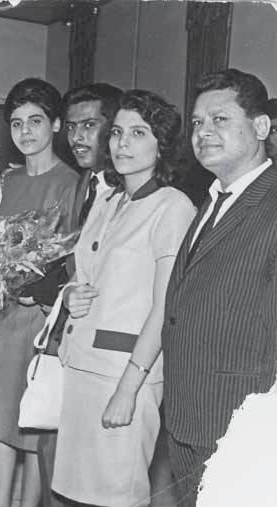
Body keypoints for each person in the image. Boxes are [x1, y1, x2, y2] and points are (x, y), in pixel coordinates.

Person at [52, 90, 195, 506]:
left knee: (118, 493)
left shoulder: (173, 207)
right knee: (77, 493)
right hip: (82, 367)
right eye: (116, 132)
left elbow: (165, 307)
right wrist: (70, 294)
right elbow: (86, 272)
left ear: (161, 144)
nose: (122, 143)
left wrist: (128, 390)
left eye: (138, 133)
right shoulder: (108, 199)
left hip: (124, 373)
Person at [161, 69, 277, 507]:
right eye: (197, 122)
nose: (203, 131)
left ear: (260, 127)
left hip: (242, 425)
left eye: (220, 119)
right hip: (189, 414)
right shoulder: (211, 200)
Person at [0, 78, 77, 507]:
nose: (25, 131)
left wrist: (39, 289)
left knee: (32, 421)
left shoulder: (72, 184)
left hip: (37, 319)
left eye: (35, 121)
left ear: (56, 124)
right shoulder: (7, 181)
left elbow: (73, 259)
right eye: (16, 123)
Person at [33, 82, 123, 507]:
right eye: (71, 127)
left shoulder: (131, 192)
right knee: (51, 445)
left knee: (94, 465)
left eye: (90, 125)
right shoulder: (85, 182)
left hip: (105, 349)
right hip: (68, 332)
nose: (76, 137)